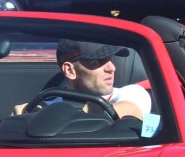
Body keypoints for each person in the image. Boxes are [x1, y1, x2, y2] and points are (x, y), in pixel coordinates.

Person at [17, 39, 151, 121]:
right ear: (70, 71)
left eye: (110, 59)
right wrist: (23, 117)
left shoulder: (133, 93)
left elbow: (129, 112)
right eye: (96, 62)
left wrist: (48, 114)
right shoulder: (45, 106)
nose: (112, 68)